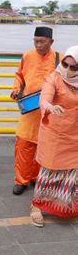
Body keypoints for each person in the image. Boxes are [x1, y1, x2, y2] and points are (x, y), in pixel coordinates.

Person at [30, 46, 78, 227]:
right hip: (55, 134)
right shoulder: (54, 78)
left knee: (72, 172)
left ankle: (67, 206)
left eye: (74, 67)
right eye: (65, 64)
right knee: (49, 171)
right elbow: (45, 98)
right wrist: (50, 107)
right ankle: (36, 205)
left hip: (75, 135)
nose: (67, 70)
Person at [11, 26, 61, 195]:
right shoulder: (27, 55)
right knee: (24, 145)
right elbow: (19, 75)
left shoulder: (59, 59)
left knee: (43, 147)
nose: (38, 45)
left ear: (51, 42)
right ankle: (21, 180)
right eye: (35, 41)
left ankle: (35, 177)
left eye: (42, 42)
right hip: (29, 110)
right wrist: (16, 89)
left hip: (48, 112)